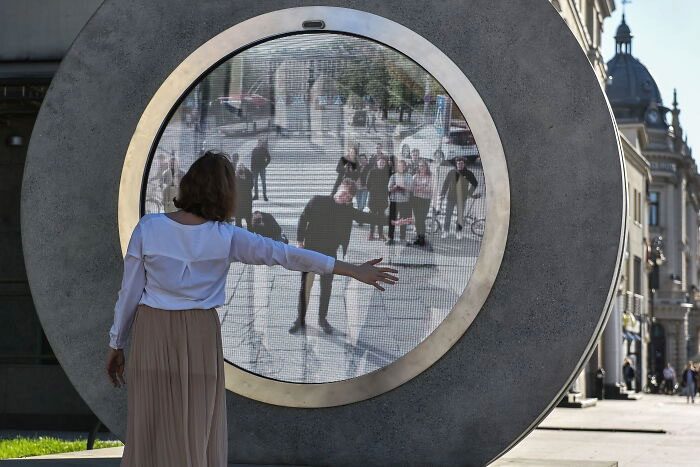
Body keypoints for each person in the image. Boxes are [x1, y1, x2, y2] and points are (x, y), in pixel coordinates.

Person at [106, 151, 398, 467]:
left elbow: (129, 293)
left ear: (188, 185)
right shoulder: (227, 237)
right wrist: (351, 269)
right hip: (199, 332)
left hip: (153, 330)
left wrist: (116, 344)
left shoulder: (149, 228)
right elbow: (288, 256)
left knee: (151, 422)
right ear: (227, 193)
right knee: (194, 421)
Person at [291, 178, 391, 335]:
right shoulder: (317, 200)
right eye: (344, 193)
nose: (344, 198)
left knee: (326, 288)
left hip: (329, 253)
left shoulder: (347, 210)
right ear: (338, 188)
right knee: (306, 286)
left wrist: (392, 221)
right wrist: (299, 240)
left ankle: (322, 319)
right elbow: (303, 218)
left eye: (348, 198)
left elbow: (367, 217)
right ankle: (299, 319)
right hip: (310, 250)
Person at [439, 157, 478, 239]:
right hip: (451, 197)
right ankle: (446, 231)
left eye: (461, 163)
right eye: (458, 163)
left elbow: (475, 183)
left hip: (462, 198)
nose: (460, 165)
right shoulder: (451, 172)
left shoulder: (468, 173)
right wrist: (442, 194)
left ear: (464, 164)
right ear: (456, 164)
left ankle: (458, 232)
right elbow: (445, 184)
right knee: (448, 215)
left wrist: (469, 193)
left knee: (460, 216)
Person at [386, 159, 413, 246]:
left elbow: (411, 188)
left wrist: (402, 187)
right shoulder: (393, 176)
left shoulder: (409, 176)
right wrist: (394, 187)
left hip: (404, 202)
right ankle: (390, 238)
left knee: (403, 220)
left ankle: (402, 238)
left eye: (402, 166)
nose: (401, 167)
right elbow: (389, 188)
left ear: (405, 167)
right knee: (392, 219)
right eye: (399, 166)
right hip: (394, 201)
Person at [366, 156, 391, 241]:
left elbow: (389, 185)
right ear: (377, 163)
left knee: (381, 217)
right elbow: (367, 184)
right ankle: (371, 234)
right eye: (380, 162)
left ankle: (380, 234)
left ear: (385, 163)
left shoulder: (387, 173)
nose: (381, 163)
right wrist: (373, 190)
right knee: (372, 216)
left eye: (383, 162)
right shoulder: (372, 171)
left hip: (383, 199)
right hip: (373, 198)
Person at [410, 160, 433, 248]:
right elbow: (411, 187)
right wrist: (421, 188)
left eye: (423, 166)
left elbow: (431, 189)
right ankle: (418, 237)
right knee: (417, 219)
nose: (421, 167)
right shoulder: (415, 176)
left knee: (421, 219)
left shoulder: (430, 177)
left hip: (425, 200)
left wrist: (420, 188)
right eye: (420, 166)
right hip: (416, 200)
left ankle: (422, 238)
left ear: (426, 167)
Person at [234, 163, 253, 230]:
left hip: (247, 200)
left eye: (242, 166)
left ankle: (250, 235)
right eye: (239, 167)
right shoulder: (235, 175)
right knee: (238, 220)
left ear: (245, 167)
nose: (241, 168)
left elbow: (251, 186)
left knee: (248, 220)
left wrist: (244, 179)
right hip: (238, 201)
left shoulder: (249, 174)